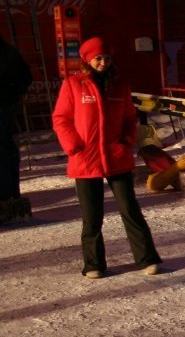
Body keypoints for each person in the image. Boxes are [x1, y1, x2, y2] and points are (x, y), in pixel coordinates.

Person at [52, 37, 162, 279]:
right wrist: (74, 146)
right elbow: (61, 119)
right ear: (87, 60)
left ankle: (147, 259)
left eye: (106, 58)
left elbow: (128, 119)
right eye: (98, 58)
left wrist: (125, 142)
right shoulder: (73, 85)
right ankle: (93, 264)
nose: (103, 62)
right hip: (85, 157)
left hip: (116, 157)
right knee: (91, 216)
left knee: (130, 210)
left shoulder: (119, 85)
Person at [0, 35, 33, 201]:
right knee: (7, 147)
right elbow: (26, 77)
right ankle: (10, 193)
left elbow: (25, 77)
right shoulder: (8, 50)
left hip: (4, 106)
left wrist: (10, 93)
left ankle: (7, 194)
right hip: (7, 105)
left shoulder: (6, 52)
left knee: (5, 149)